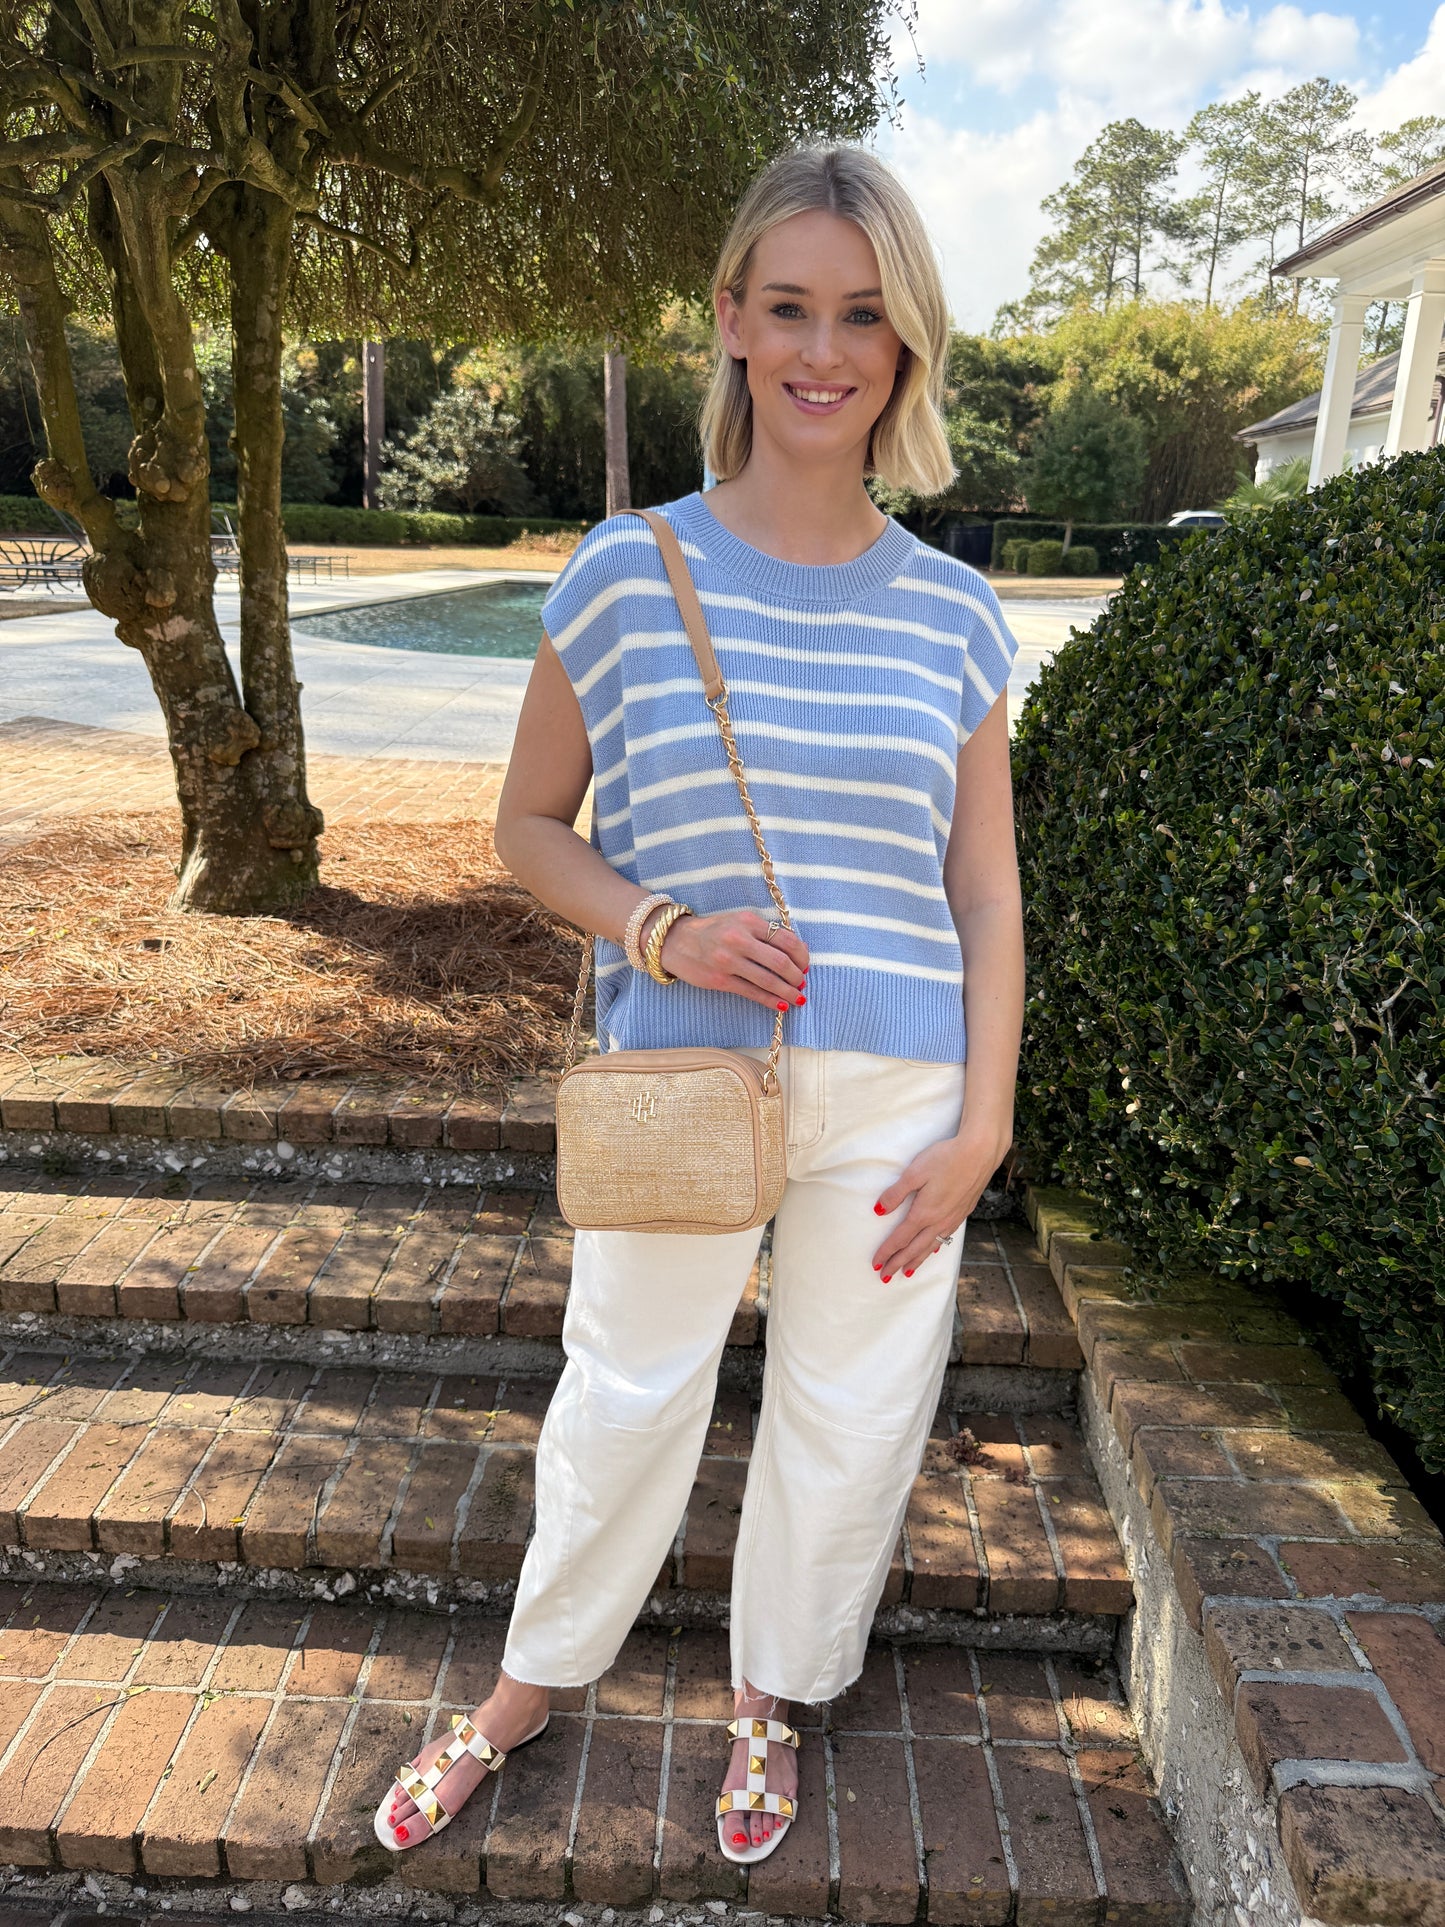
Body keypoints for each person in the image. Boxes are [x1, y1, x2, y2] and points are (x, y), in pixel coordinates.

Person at [375, 141, 1024, 1867]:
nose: (825, 349)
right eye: (791, 305)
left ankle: (770, 1695)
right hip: (680, 1073)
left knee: (853, 1408)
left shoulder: (958, 617)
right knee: (626, 1392)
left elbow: (981, 891)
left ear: (905, 346)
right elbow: (526, 824)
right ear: (730, 321)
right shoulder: (620, 571)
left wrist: (986, 1118)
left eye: (864, 316)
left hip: (896, 1095)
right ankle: (527, 1683)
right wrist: (659, 929)